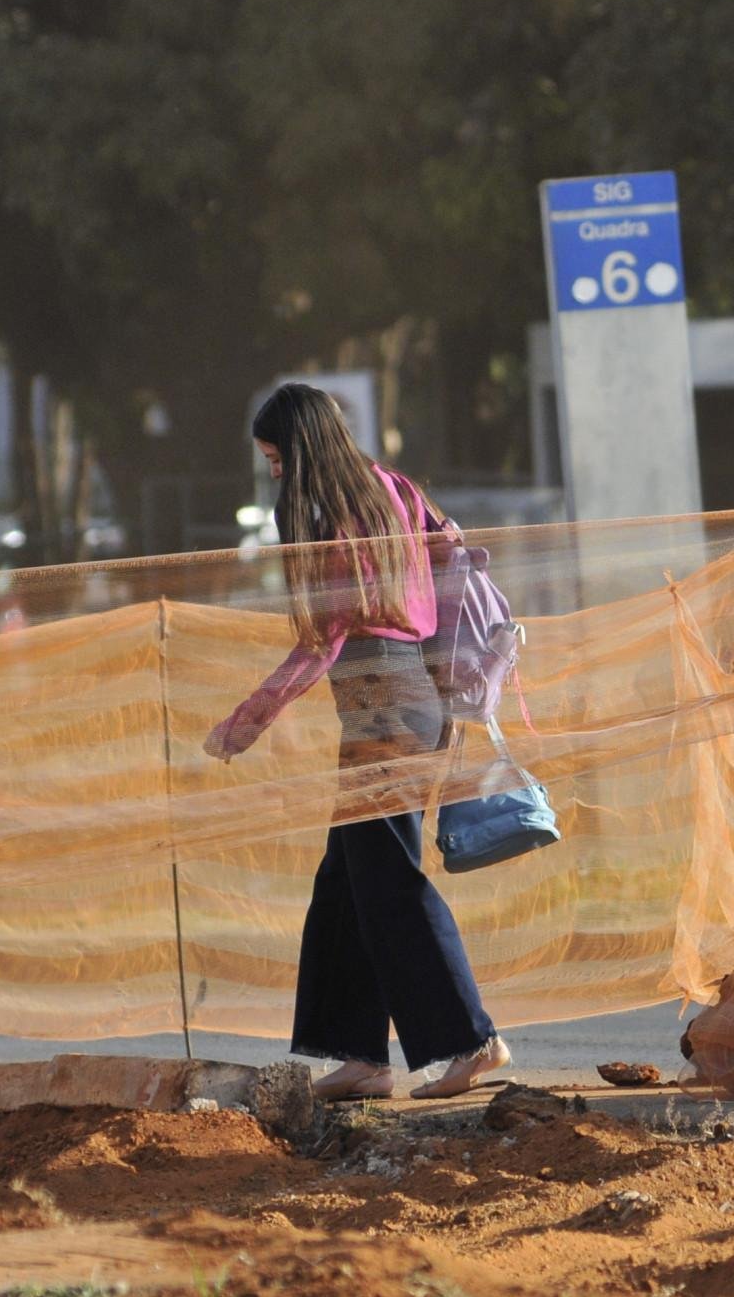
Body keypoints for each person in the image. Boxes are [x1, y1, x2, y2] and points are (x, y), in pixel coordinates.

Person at [204, 383, 510, 1101]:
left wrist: (248, 719)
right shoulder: (394, 489)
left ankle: (471, 1039)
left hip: (384, 711)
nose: (274, 475)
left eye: (277, 460)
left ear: (303, 449)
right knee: (346, 880)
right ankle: (360, 1056)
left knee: (389, 879)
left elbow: (324, 639)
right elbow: (453, 553)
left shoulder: (337, 519)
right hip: (415, 701)